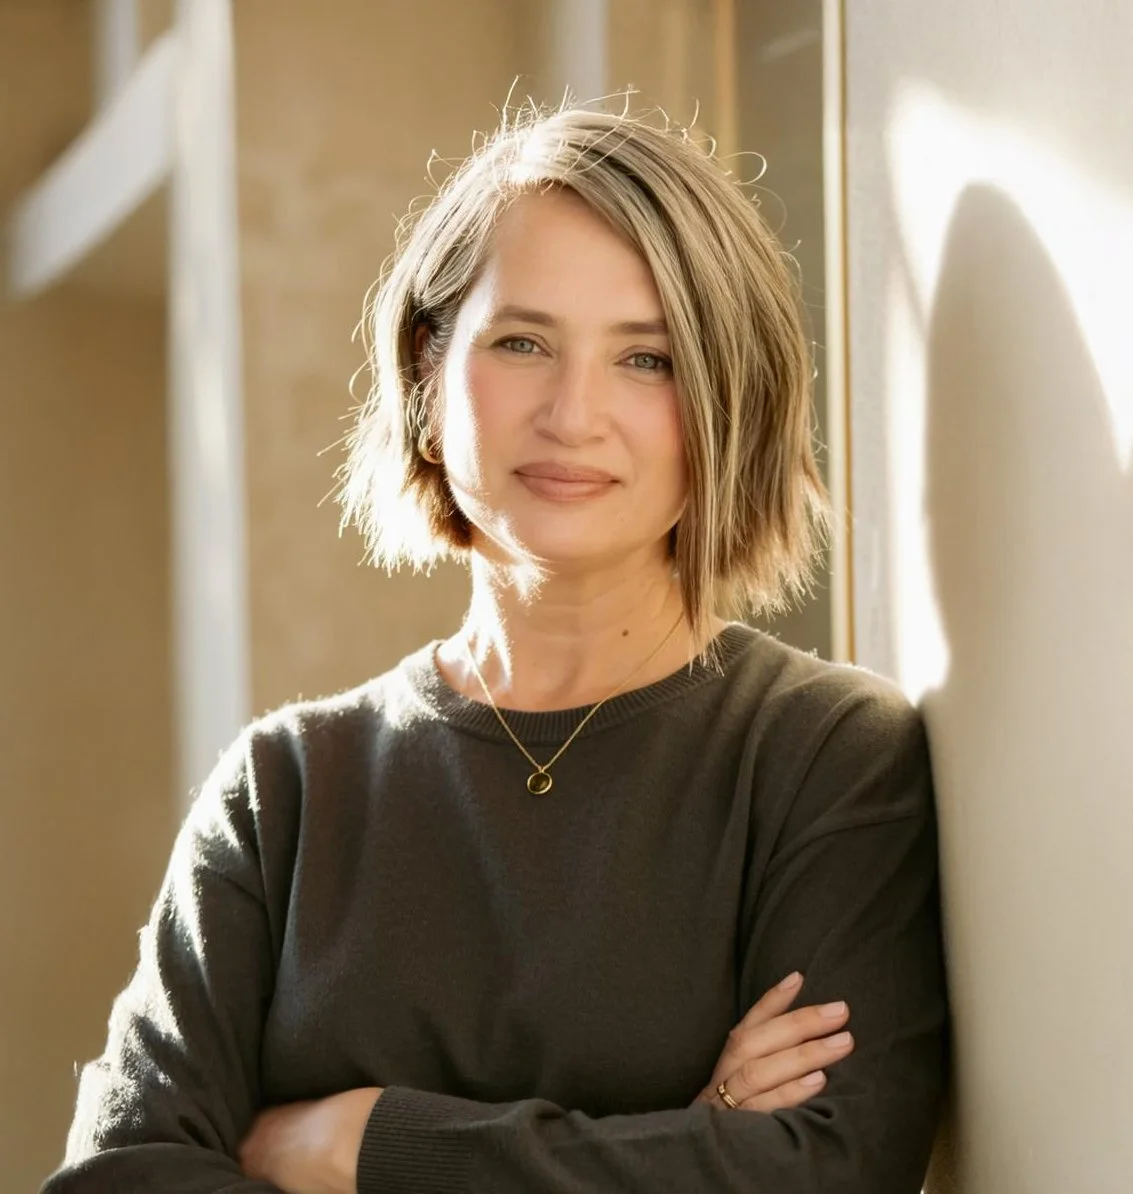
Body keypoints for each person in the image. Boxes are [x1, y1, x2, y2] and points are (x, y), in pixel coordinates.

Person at [41, 102, 948, 1194]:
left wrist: (359, 1147)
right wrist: (683, 1139)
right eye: (522, 342)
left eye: (646, 359)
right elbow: (120, 1177)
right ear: (428, 372)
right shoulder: (283, 791)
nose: (574, 414)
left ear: (726, 400)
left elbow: (827, 1174)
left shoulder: (823, 758)